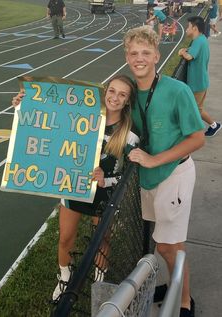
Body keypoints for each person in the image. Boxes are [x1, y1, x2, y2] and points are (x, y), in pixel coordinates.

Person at [12, 75, 140, 301]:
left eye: (122, 95)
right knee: (65, 238)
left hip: (104, 194)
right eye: (112, 91)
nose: (115, 98)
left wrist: (106, 179)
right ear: (104, 91)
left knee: (101, 240)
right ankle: (64, 277)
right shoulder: (81, 115)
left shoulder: (129, 133)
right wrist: (27, 103)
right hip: (72, 185)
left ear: (128, 101)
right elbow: (46, 119)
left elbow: (129, 175)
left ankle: (100, 282)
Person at [123, 25, 205, 317]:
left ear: (157, 55)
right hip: (151, 178)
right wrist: (27, 103)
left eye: (146, 52)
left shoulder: (176, 90)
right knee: (166, 241)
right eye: (134, 53)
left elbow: (197, 137)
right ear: (127, 56)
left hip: (174, 175)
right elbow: (96, 112)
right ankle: (174, 286)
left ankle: (184, 301)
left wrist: (156, 160)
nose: (139, 58)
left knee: (169, 246)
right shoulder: (130, 94)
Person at [178, 16, 221, 137]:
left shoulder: (198, 41)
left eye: (188, 27)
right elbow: (192, 51)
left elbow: (189, 57)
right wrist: (185, 50)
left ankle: (196, 133)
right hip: (200, 81)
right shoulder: (201, 39)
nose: (186, 29)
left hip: (197, 83)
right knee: (198, 109)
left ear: (195, 28)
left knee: (194, 110)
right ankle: (214, 125)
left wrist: (182, 52)